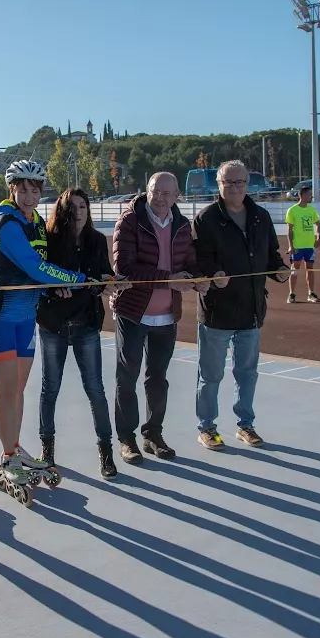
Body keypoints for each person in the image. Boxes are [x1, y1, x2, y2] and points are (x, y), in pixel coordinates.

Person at [0, 160, 88, 496]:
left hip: (25, 316)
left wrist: (59, 286)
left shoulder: (36, 220)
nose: (29, 195)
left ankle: (12, 446)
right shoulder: (6, 221)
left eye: (35, 189)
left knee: (18, 390)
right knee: (8, 389)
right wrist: (81, 281)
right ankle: (8, 454)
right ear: (11, 188)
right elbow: (34, 267)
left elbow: (41, 275)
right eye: (22, 188)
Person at [192, 160, 290, 450]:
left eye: (240, 183)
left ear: (248, 184)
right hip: (217, 312)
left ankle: (245, 425)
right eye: (228, 183)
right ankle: (207, 427)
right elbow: (198, 258)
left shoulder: (260, 216)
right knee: (210, 376)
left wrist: (280, 270)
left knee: (247, 374)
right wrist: (213, 273)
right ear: (218, 185)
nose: (234, 188)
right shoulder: (206, 218)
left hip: (252, 310)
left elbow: (271, 254)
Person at [112, 172, 207, 465]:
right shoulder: (129, 221)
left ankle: (153, 433)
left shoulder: (182, 225)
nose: (161, 198)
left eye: (168, 193)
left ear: (177, 195)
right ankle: (126, 439)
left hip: (167, 316)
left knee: (158, 380)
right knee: (126, 378)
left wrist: (202, 278)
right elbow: (124, 267)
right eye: (156, 192)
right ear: (147, 190)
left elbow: (190, 263)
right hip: (132, 311)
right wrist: (168, 280)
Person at [35, 188, 126, 480]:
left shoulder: (97, 240)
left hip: (86, 325)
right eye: (72, 206)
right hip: (53, 326)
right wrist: (51, 288)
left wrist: (110, 282)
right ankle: (47, 452)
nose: (79, 211)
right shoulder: (48, 241)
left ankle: (106, 452)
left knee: (96, 391)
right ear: (62, 211)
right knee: (50, 390)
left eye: (83, 205)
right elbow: (37, 277)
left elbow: (104, 274)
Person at [285, 186, 320, 303]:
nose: (311, 196)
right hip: (297, 246)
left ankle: (311, 293)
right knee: (295, 269)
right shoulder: (292, 210)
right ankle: (292, 293)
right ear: (303, 195)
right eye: (310, 194)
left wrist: (319, 237)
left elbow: (318, 224)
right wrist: (291, 245)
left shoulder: (311, 210)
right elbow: (289, 230)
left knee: (310, 268)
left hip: (309, 245)